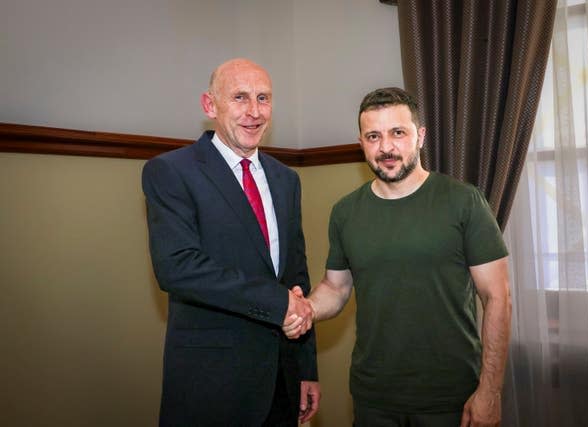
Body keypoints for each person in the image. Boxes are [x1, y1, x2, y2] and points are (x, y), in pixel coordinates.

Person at [284, 87, 511, 427]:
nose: (386, 147)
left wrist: (490, 392)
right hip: (373, 397)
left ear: (420, 136)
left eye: (397, 133)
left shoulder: (464, 202)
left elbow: (498, 298)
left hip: (450, 396)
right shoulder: (345, 212)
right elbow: (336, 287)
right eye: (373, 136)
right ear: (361, 141)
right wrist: (307, 310)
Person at [142, 58, 320, 426]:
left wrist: (305, 367)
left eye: (263, 98)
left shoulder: (286, 179)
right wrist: (277, 302)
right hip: (211, 385)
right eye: (240, 97)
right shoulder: (172, 171)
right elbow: (178, 267)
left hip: (281, 383)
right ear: (210, 105)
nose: (254, 112)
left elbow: (297, 277)